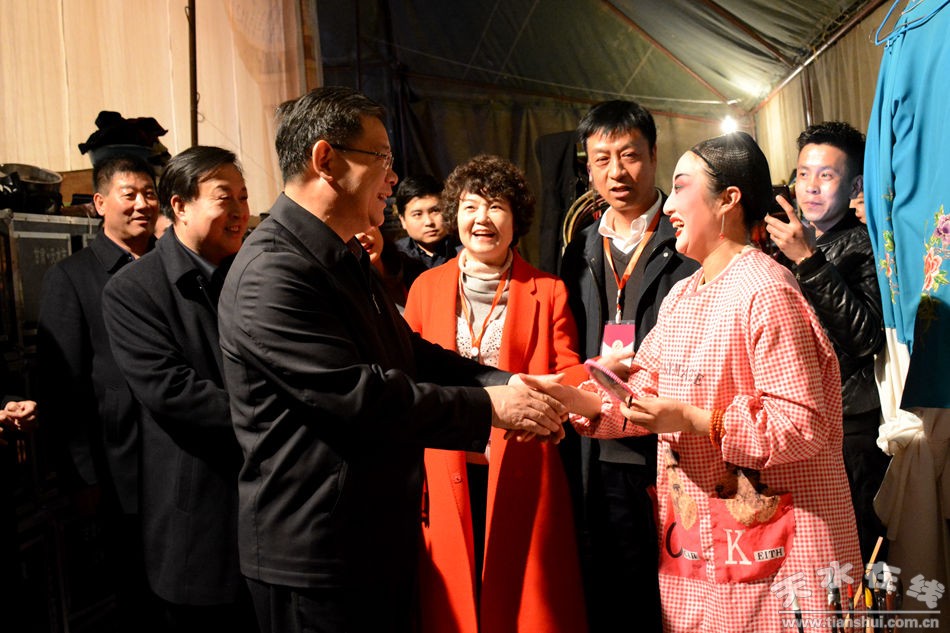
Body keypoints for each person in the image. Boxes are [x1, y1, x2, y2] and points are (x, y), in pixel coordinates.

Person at [216, 86, 567, 633]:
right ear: (326, 160)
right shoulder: (273, 271)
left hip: (373, 537)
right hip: (318, 553)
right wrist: (491, 407)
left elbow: (410, 354)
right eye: (381, 158)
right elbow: (360, 396)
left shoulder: (340, 254)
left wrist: (505, 380)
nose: (393, 177)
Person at [531, 131, 861, 632]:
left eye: (681, 187)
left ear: (728, 199)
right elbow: (643, 388)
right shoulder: (684, 294)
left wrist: (694, 419)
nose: (668, 206)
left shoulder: (767, 290)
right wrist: (576, 399)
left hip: (777, 547)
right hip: (700, 539)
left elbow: (801, 425)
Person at [404, 154, 587, 633]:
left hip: (524, 466)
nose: (481, 218)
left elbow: (569, 372)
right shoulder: (425, 287)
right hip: (443, 467)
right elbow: (409, 373)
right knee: (453, 602)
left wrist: (547, 401)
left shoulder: (548, 290)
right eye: (470, 206)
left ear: (516, 219)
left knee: (527, 603)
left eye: (496, 206)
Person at [102, 146, 256, 633]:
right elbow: (173, 391)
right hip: (202, 514)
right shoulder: (135, 289)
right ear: (180, 206)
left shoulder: (254, 276)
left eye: (244, 197)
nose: (239, 211)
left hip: (272, 508)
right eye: (223, 198)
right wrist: (276, 416)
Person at [558, 99, 698, 632]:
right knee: (613, 582)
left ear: (654, 155)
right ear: (588, 167)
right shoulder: (580, 248)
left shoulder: (686, 238)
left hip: (670, 438)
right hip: (600, 441)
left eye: (630, 155)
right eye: (602, 159)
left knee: (679, 583)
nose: (616, 171)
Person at [37, 153, 158, 630]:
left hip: (181, 456)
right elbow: (59, 384)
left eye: (149, 194)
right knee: (135, 590)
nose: (141, 204)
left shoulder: (171, 265)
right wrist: (81, 475)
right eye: (129, 195)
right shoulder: (72, 277)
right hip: (118, 465)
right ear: (100, 203)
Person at [765, 121, 887, 564]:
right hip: (804, 420)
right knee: (817, 553)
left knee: (858, 551)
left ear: (855, 186)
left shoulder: (865, 244)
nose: (810, 187)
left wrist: (808, 261)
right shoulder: (793, 241)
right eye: (803, 174)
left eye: (826, 175)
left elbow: (865, 337)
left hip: (851, 427)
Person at [394, 174, 461, 286]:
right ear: (403, 220)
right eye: (417, 214)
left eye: (435, 211)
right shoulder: (395, 256)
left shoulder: (465, 249)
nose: (429, 222)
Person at [356, 224, 409, 310]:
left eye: (361, 223)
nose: (359, 236)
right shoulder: (344, 292)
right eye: (348, 230)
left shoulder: (414, 267)